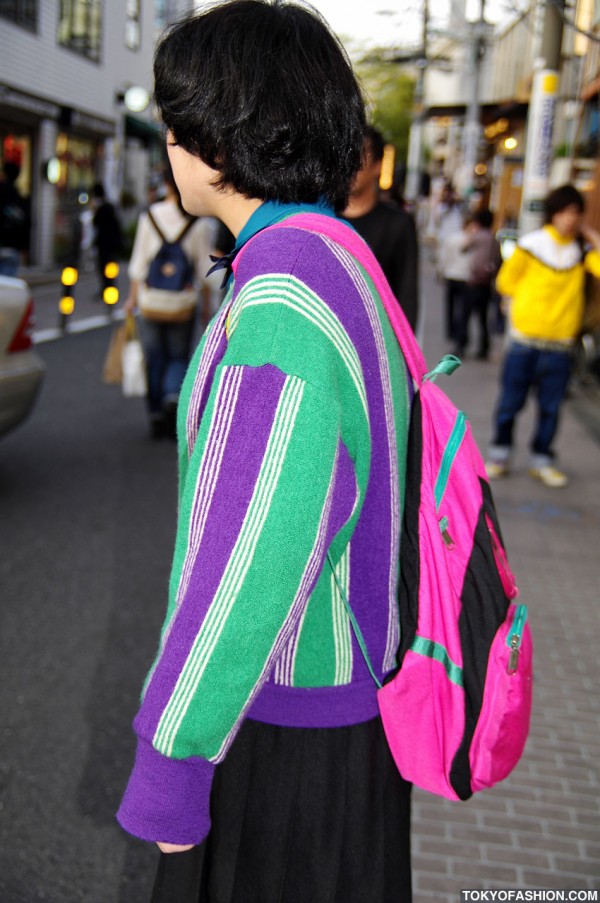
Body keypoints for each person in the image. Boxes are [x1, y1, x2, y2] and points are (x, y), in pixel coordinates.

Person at [116, 3, 413, 901]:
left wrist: (171, 763)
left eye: (176, 124)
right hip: (351, 712)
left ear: (218, 136)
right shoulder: (339, 253)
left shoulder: (282, 299)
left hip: (281, 732)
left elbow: (247, 561)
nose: (166, 144)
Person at [486, 184, 600, 488]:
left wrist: (592, 238)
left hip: (561, 347)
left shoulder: (582, 251)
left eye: (575, 213)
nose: (569, 219)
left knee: (551, 408)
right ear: (553, 213)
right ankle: (499, 454)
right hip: (524, 342)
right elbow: (505, 283)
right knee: (511, 403)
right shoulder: (531, 245)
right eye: (564, 212)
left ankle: (542, 460)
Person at [124, 166, 215, 439]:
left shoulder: (149, 217)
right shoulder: (198, 223)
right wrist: (207, 308)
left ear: (165, 184)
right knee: (177, 356)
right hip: (182, 304)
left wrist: (131, 299)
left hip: (151, 301)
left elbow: (138, 265)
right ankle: (173, 394)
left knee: (154, 358)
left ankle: (154, 414)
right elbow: (203, 271)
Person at [342, 125, 419, 332]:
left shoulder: (397, 223)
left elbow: (407, 293)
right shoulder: (320, 218)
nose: (349, 164)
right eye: (344, 153)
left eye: (358, 156)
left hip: (376, 340)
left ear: (377, 165)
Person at [453, 209, 502, 360]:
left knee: (465, 315)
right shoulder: (494, 239)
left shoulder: (478, 236)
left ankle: (461, 345)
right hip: (486, 283)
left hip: (473, 281)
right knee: (482, 318)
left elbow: (463, 248)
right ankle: (484, 348)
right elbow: (499, 260)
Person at [437, 211, 471, 346]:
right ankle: (458, 332)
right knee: (462, 308)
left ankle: (451, 330)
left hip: (451, 275)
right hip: (465, 277)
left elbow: (444, 256)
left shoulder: (452, 238)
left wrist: (441, 270)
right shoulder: (471, 240)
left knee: (450, 305)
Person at [92, 182, 123, 298]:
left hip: (104, 244)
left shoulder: (101, 208)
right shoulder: (110, 207)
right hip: (111, 244)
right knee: (109, 268)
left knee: (103, 268)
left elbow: (96, 223)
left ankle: (106, 290)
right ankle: (109, 290)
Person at [0, 161, 29, 276]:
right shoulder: (18, 197)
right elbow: (24, 222)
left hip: (6, 243)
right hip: (12, 246)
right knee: (8, 286)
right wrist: (24, 246)